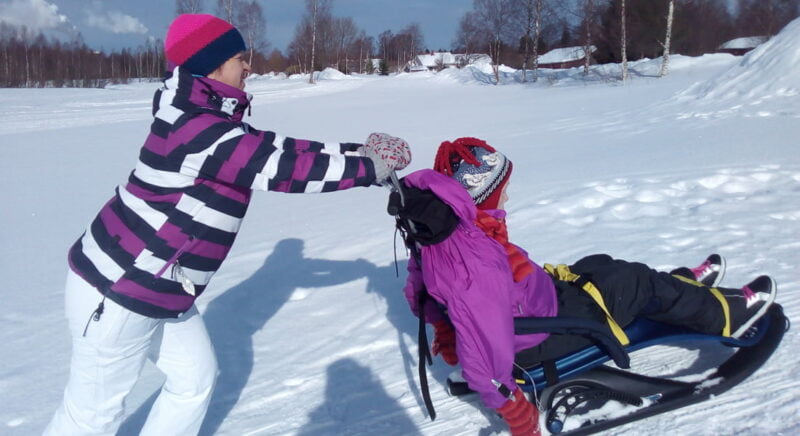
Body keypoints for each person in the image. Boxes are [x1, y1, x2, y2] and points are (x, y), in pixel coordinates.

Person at [44, 14, 411, 436]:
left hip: (161, 286)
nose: (248, 67)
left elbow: (274, 145)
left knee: (193, 380)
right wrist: (367, 167)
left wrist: (357, 151)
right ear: (213, 64)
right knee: (90, 418)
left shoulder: (209, 118)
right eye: (240, 58)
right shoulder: (195, 127)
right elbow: (277, 167)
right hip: (120, 288)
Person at [400, 137, 777, 436]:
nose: (509, 195)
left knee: (600, 265)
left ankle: (680, 291)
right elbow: (486, 355)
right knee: (632, 281)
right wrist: (519, 417)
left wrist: (446, 331)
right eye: (504, 189)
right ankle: (724, 316)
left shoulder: (446, 233)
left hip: (538, 303)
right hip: (540, 338)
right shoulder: (471, 264)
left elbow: (422, 295)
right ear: (482, 194)